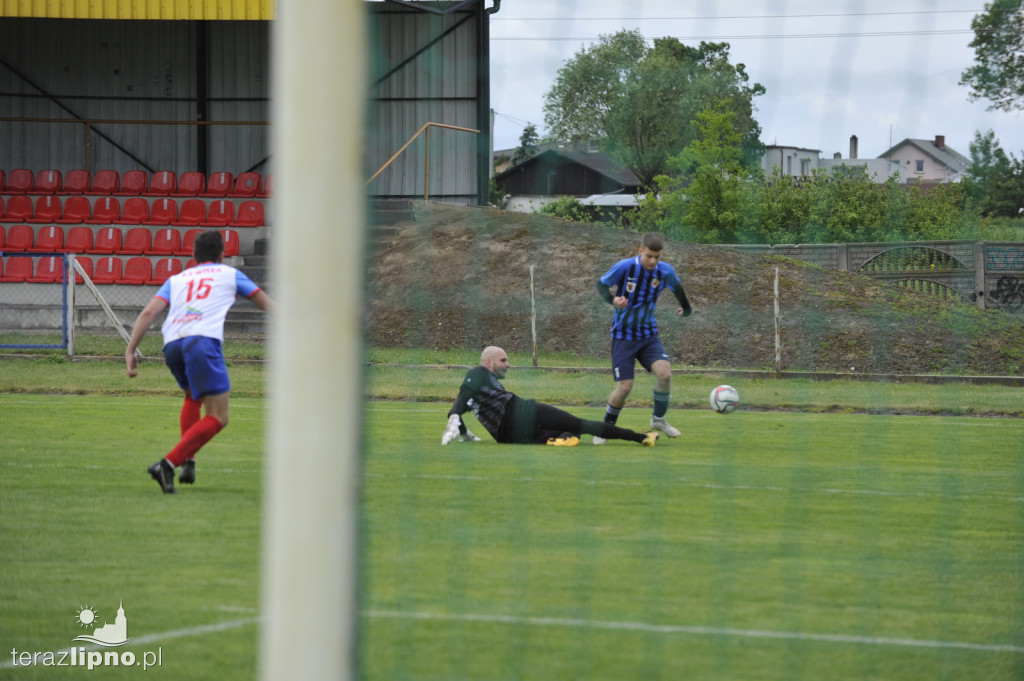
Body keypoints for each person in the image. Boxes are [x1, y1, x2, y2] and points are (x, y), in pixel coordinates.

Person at [125, 230, 274, 493]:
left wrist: (131, 349)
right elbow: (266, 304)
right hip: (202, 342)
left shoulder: (177, 279)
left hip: (172, 344)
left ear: (193, 256)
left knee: (192, 397)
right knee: (218, 416)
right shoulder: (229, 274)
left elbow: (149, 311)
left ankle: (188, 462)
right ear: (222, 255)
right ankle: (168, 464)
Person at [442, 346, 658, 447]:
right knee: (581, 424)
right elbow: (461, 402)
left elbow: (459, 406)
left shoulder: (483, 387)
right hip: (520, 412)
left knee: (570, 432)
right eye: (503, 360)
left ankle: (559, 438)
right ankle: (641, 438)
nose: (508, 364)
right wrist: (454, 422)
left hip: (506, 437)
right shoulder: (478, 373)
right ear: (488, 362)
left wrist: (464, 433)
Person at [595, 232, 692, 444]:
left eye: (657, 257)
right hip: (624, 335)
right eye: (649, 256)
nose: (653, 261)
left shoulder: (664, 271)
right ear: (640, 251)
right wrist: (613, 300)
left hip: (648, 334)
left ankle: (658, 420)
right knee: (625, 388)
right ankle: (606, 429)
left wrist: (686, 309)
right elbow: (601, 284)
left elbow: (678, 288)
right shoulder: (625, 267)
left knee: (665, 375)